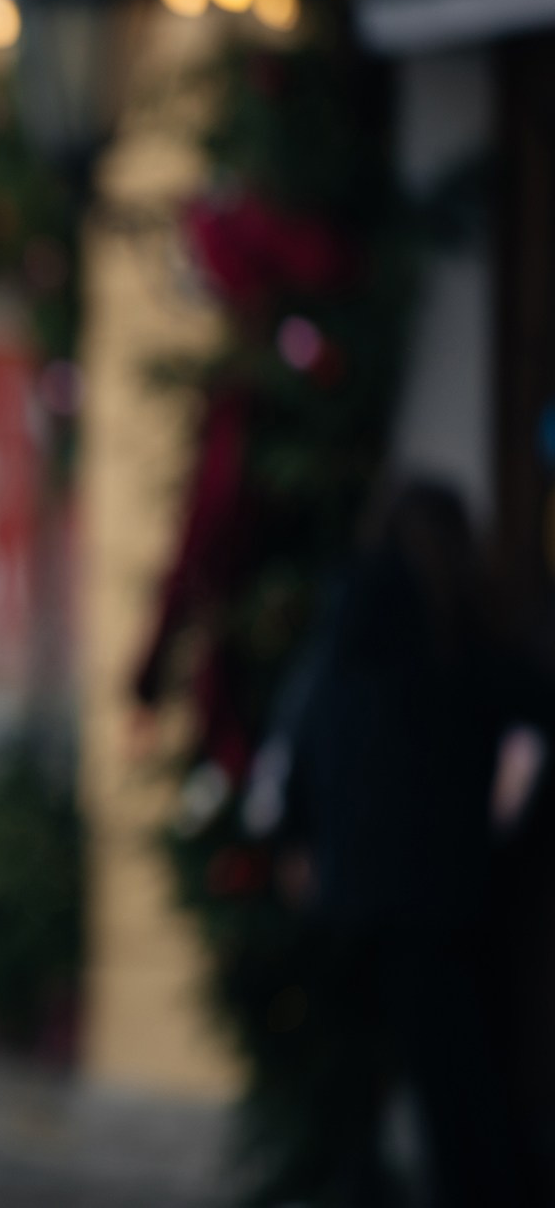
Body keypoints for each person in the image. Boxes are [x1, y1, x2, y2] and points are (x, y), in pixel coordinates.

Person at [273, 479, 552, 1208]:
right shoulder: (465, 625)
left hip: (359, 883)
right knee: (462, 1082)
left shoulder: (353, 614)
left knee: (372, 1079)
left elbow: (307, 730)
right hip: (451, 887)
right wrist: (503, 818)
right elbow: (533, 714)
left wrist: (302, 836)